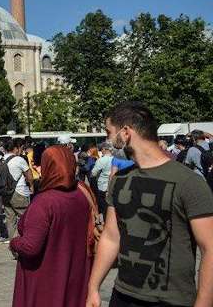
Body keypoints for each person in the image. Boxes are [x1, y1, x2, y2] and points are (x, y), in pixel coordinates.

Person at [87, 102, 213, 307]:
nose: (107, 140)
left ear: (126, 132)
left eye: (109, 132)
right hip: (123, 295)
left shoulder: (189, 182)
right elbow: (111, 237)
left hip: (171, 300)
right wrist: (93, 287)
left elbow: (210, 249)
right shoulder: (119, 179)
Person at [10, 145, 98, 307]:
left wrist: (14, 242)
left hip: (46, 277)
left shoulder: (45, 202)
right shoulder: (82, 191)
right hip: (74, 272)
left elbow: (30, 246)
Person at [3, 138, 33, 239]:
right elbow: (29, 176)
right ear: (15, 148)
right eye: (20, 148)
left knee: (10, 220)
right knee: (27, 218)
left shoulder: (1, 159)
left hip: (5, 193)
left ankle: (14, 244)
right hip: (19, 193)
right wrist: (31, 186)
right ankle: (28, 240)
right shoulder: (19, 160)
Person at [90, 142, 114, 217]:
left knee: (103, 205)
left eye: (101, 149)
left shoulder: (102, 160)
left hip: (103, 186)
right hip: (113, 184)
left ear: (104, 149)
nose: (100, 151)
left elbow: (93, 173)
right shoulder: (116, 159)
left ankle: (105, 220)